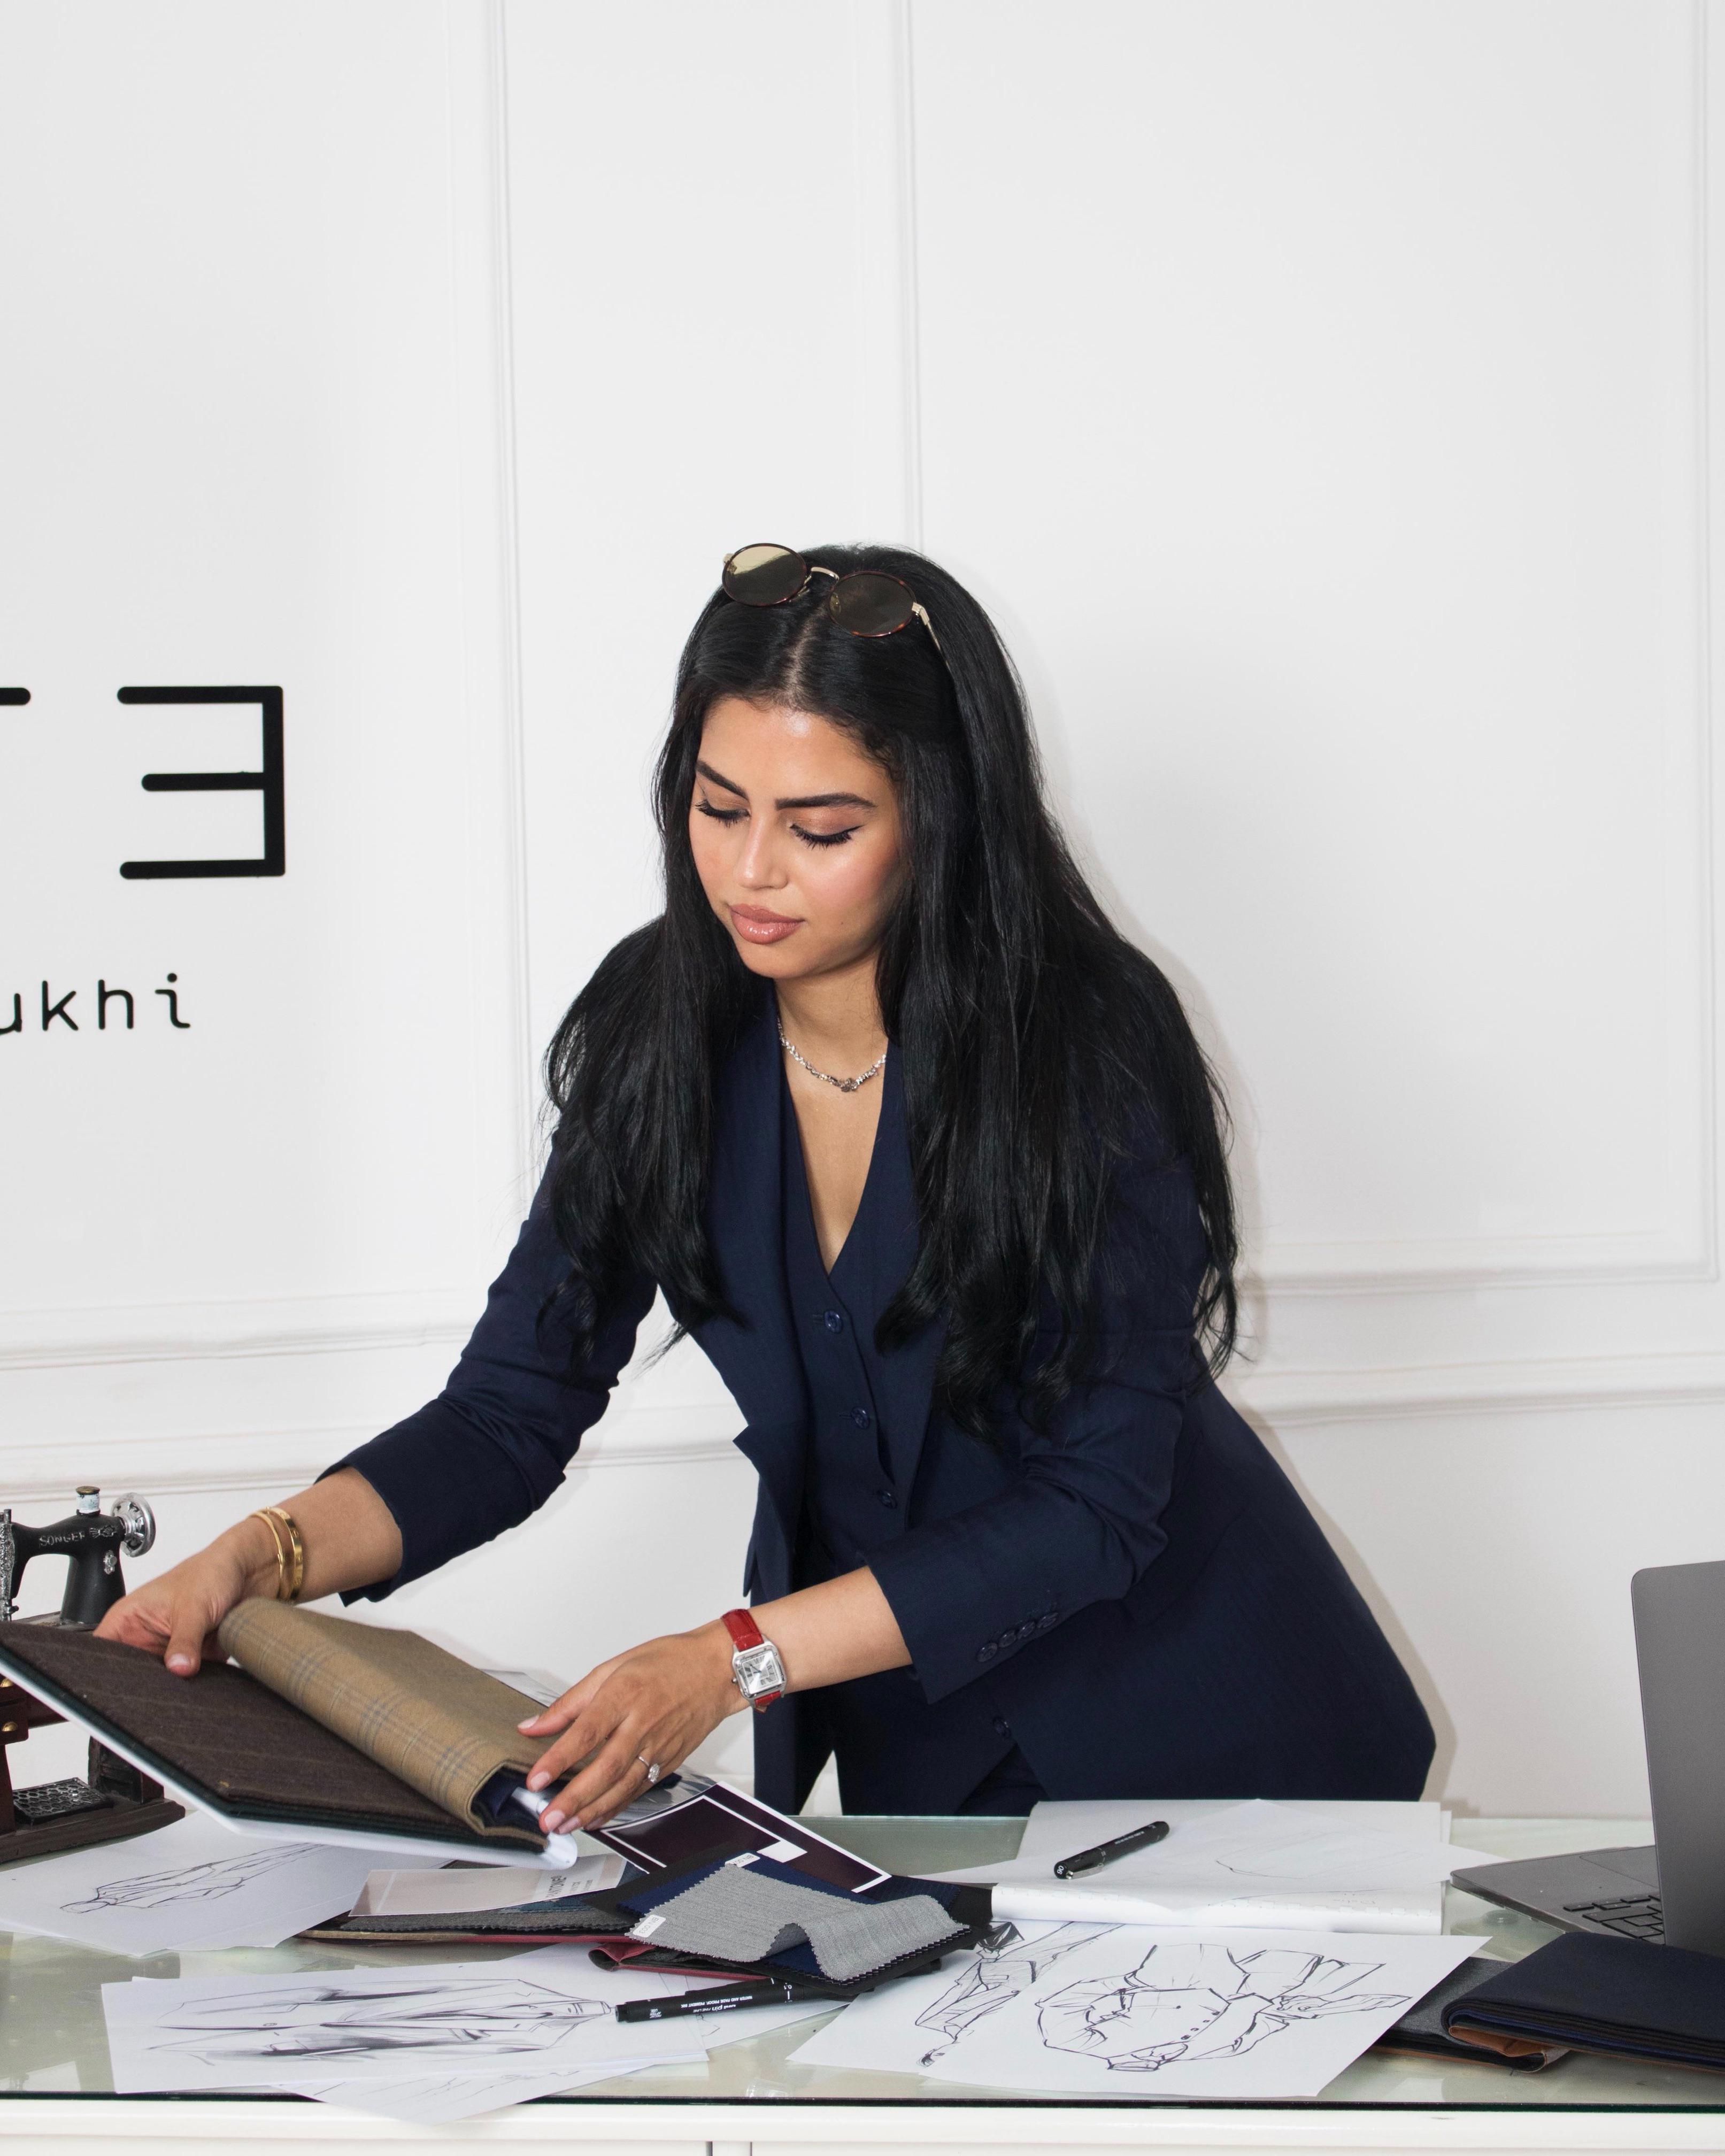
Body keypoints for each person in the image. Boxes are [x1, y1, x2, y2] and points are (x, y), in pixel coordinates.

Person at [99, 542, 1435, 1829]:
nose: (750, 871)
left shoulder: (1084, 1042)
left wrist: (727, 1660)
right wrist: (261, 1555)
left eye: (821, 828)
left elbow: (1092, 1507)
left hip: (1219, 1740)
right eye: (718, 807)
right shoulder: (655, 1027)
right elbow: (510, 1410)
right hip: (927, 1756)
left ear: (939, 817)